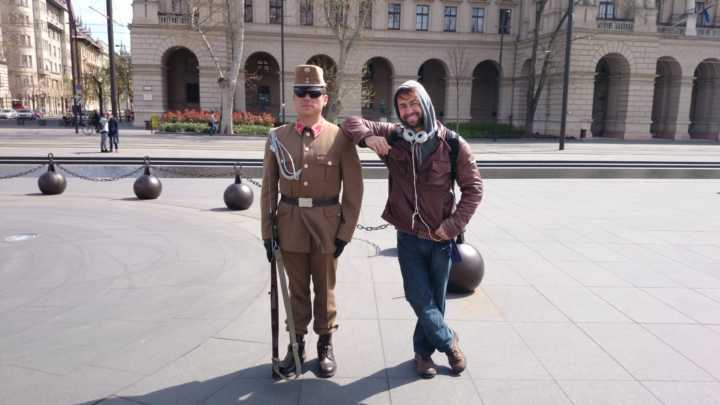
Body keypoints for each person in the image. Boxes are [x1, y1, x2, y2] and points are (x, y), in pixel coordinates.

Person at [341, 81, 483, 379]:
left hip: (441, 238)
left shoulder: (453, 144)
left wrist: (453, 226)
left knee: (436, 300)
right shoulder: (394, 136)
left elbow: (473, 189)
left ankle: (422, 354)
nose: (408, 112)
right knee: (418, 296)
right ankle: (449, 342)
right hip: (408, 236)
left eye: (413, 104)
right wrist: (368, 137)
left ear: (426, 103)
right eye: (402, 106)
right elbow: (350, 122)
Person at [260, 64, 363, 378]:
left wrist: (345, 232)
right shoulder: (277, 137)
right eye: (300, 93)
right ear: (293, 99)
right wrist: (267, 233)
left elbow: (354, 189)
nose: (307, 98)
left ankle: (325, 343)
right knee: (297, 290)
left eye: (313, 93)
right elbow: (267, 188)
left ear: (324, 98)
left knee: (325, 288)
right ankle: (297, 343)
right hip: (289, 223)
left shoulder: (340, 138)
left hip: (326, 226)